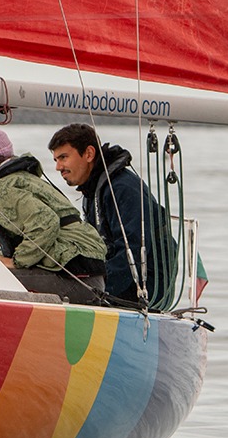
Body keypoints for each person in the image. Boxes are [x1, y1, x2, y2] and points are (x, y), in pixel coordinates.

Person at [0, 125, 106, 304]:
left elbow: (46, 223)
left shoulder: (3, 189)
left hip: (75, 282)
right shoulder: (24, 179)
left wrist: (17, 261)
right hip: (91, 278)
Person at [48, 123, 174, 307]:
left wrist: (94, 291)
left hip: (142, 290)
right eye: (55, 160)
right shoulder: (94, 190)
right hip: (117, 282)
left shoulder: (121, 189)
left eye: (63, 157)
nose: (58, 167)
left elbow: (136, 250)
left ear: (89, 154)